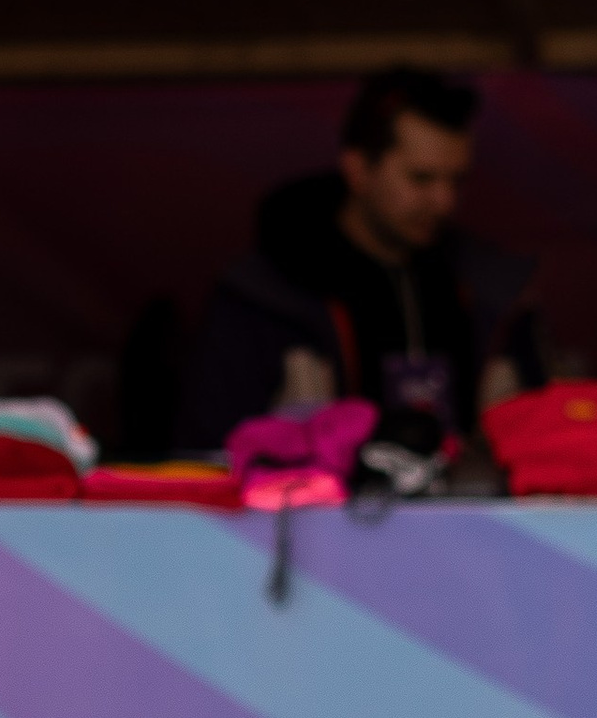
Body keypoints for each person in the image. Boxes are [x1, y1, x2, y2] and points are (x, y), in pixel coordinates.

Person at [188, 64, 543, 450]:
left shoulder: (486, 291)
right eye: (420, 178)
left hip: (466, 510)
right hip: (312, 509)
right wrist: (285, 438)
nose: (444, 202)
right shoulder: (263, 297)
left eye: (456, 180)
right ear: (358, 170)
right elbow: (204, 451)